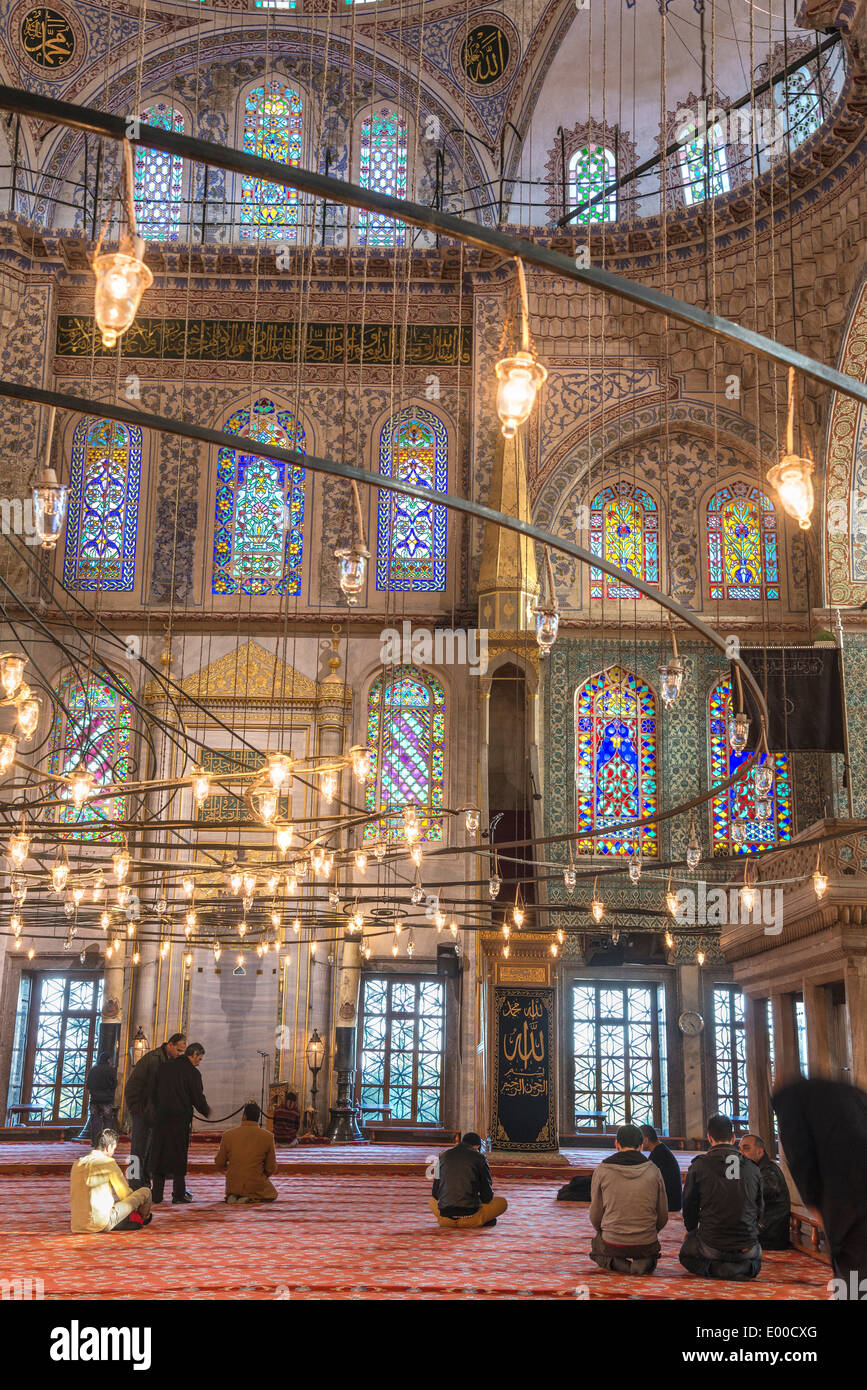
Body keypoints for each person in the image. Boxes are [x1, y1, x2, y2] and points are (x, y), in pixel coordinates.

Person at [773, 1077, 867, 1285]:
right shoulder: (851, 1094)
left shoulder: (790, 1101)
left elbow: (801, 1161)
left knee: (854, 1278)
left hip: (848, 1207)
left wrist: (816, 1207)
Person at [679, 1114, 763, 1281]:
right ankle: (746, 1268)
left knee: (685, 1255)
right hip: (747, 1247)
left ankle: (717, 1269)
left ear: (709, 1138)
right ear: (733, 1138)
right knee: (756, 1259)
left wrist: (691, 1231)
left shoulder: (699, 1166)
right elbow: (760, 1209)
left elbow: (689, 1206)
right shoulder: (753, 1168)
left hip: (711, 1246)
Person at [588, 1124, 668, 1274]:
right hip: (646, 1241)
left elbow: (595, 1215)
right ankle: (644, 1262)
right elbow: (663, 1215)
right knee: (649, 1250)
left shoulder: (602, 1170)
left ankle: (618, 1264)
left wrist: (606, 1231)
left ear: (616, 1144)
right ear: (641, 1146)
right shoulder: (653, 1170)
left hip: (613, 1241)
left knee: (596, 1247)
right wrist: (648, 1232)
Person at [149, 1042, 210, 1204]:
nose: (199, 1062)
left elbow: (153, 1091)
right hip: (179, 1120)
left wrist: (157, 1109)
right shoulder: (192, 1073)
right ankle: (178, 1194)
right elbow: (197, 1097)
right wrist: (206, 1111)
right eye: (200, 1058)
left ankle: (156, 1195)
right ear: (194, 1054)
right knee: (178, 1157)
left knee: (160, 1155)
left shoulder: (165, 1067)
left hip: (161, 1118)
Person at [124, 1032, 187, 1185]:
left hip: (156, 1113)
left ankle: (145, 1181)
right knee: (138, 1149)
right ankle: (134, 1182)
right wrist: (137, 1109)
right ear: (170, 1045)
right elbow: (133, 1085)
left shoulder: (171, 1061)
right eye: (178, 1050)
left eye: (182, 1052)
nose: (179, 1054)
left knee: (151, 1148)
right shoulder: (151, 1059)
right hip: (142, 1111)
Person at [70, 1128, 152, 1234]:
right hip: (101, 1222)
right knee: (145, 1192)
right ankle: (144, 1218)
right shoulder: (108, 1162)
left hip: (77, 1224)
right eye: (114, 1149)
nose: (113, 1152)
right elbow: (124, 1194)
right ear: (109, 1147)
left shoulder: (77, 1163)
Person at [429, 1132, 507, 1229]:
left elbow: (435, 1193)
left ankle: (451, 1222)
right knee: (502, 1203)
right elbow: (487, 1195)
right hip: (470, 1215)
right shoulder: (480, 1158)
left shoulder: (443, 1156)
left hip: (446, 1217)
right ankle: (477, 1220)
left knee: (431, 1201)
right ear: (477, 1146)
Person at [215, 1101, 278, 1204]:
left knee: (238, 1183)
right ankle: (249, 1198)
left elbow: (219, 1162)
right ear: (258, 1118)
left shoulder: (228, 1135)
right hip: (255, 1183)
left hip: (233, 1185)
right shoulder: (268, 1136)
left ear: (244, 1116)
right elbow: (271, 1167)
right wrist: (260, 1174)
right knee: (271, 1193)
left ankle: (235, 1196)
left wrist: (233, 1169)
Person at [739, 1133, 791, 1250]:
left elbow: (761, 1191)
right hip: (761, 1228)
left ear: (760, 1152)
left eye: (746, 1149)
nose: (741, 1153)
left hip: (770, 1233)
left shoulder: (769, 1170)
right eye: (740, 1149)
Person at [640, 1124, 683, 1213]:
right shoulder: (661, 1150)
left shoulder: (657, 1155)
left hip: (669, 1205)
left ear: (646, 1140)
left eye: (640, 1141)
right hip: (674, 1202)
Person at [85, 1052, 117, 1149]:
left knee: (95, 1121)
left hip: (95, 1100)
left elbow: (88, 1085)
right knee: (107, 1121)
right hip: (107, 1100)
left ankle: (95, 1142)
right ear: (108, 1060)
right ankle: (106, 1143)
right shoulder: (111, 1070)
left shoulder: (93, 1070)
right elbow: (114, 1084)